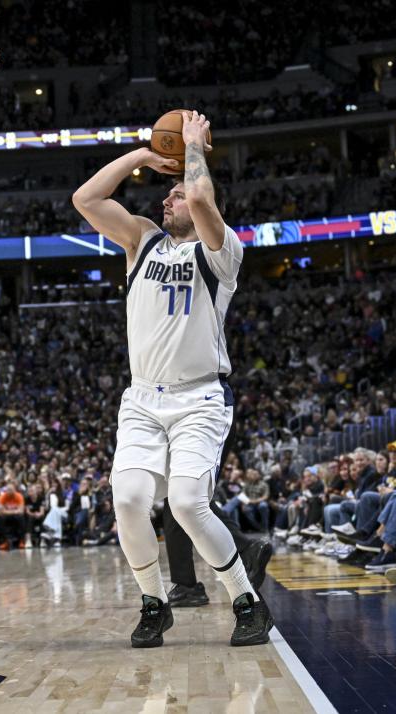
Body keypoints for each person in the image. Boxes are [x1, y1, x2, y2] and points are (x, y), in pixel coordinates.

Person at [73, 110, 272, 649]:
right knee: (129, 498)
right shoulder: (142, 240)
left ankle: (245, 600)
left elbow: (204, 201)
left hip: (200, 397)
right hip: (142, 398)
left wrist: (192, 149)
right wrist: (143, 156)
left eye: (176, 194)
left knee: (186, 503)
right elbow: (86, 201)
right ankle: (155, 603)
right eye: (169, 194)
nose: (168, 199)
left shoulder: (222, 250)